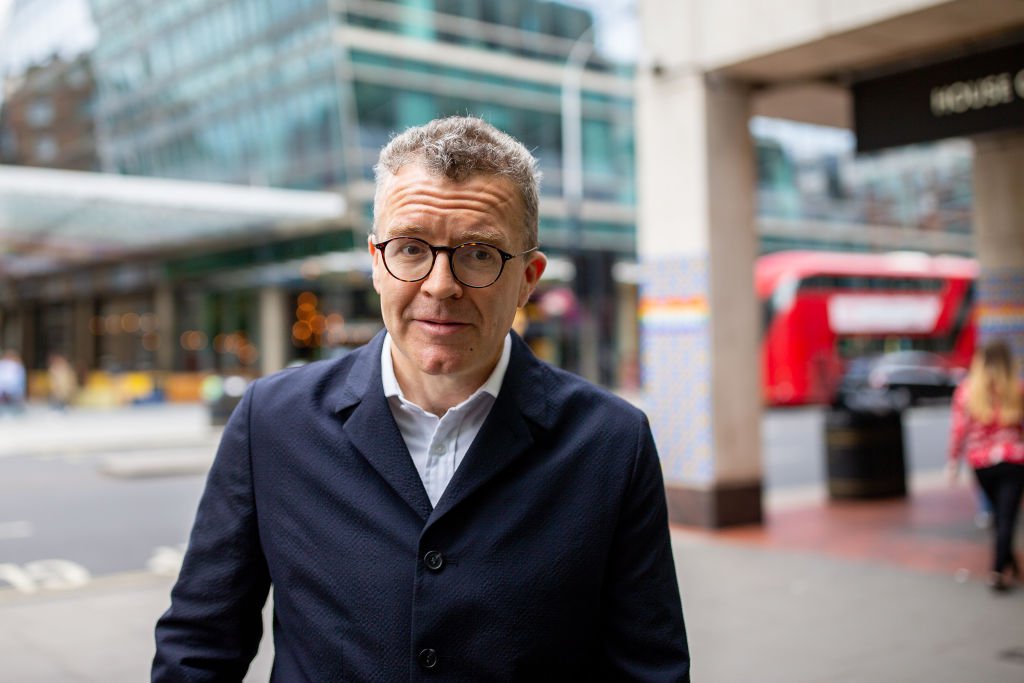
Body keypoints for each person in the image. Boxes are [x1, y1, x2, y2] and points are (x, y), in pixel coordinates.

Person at [153, 116, 690, 680]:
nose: (440, 285)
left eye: (480, 254)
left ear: (529, 278)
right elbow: (200, 646)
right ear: (376, 261)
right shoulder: (271, 422)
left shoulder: (612, 443)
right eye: (410, 248)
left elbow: (647, 671)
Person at [947, 338, 1024, 592]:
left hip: (981, 464)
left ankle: (1003, 565)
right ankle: (1000, 568)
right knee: (1006, 516)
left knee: (999, 516)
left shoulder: (967, 391)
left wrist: (953, 462)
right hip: (1014, 461)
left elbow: (959, 430)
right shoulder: (1016, 388)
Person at [0, 349, 26, 416]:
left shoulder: (17, 366)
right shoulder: (14, 366)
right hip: (8, 392)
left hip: (11, 393)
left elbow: (20, 381)